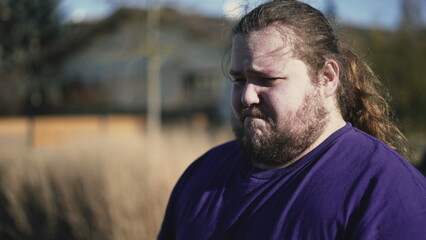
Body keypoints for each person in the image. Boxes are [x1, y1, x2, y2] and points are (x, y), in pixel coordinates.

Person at [158, 0, 426, 239]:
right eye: (239, 80)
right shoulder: (202, 176)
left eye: (267, 79)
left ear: (327, 78)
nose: (247, 96)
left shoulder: (387, 193)